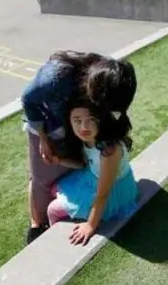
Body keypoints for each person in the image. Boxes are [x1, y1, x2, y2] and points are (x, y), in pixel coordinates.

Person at [21, 51, 137, 244]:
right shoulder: (55, 79)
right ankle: (37, 224)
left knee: (55, 202)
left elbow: (103, 191)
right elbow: (28, 99)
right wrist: (44, 138)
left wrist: (91, 224)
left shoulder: (107, 147)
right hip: (51, 123)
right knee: (44, 180)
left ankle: (54, 233)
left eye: (95, 117)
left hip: (106, 186)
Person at [47, 92, 138, 246]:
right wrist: (59, 160)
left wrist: (90, 225)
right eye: (77, 120)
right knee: (54, 188)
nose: (83, 127)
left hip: (112, 190)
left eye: (91, 120)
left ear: (101, 120)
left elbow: (103, 193)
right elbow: (85, 164)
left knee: (52, 210)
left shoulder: (109, 150)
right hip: (93, 177)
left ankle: (54, 244)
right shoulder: (89, 139)